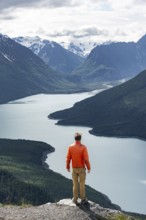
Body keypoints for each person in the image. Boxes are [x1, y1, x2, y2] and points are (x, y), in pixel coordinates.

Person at [66, 132, 91, 205]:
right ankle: (83, 199)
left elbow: (68, 158)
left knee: (75, 184)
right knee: (82, 184)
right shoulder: (83, 147)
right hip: (82, 169)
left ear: (75, 138)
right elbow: (86, 159)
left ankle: (75, 199)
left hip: (74, 168)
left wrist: (67, 166)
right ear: (80, 138)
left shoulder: (70, 147)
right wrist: (89, 168)